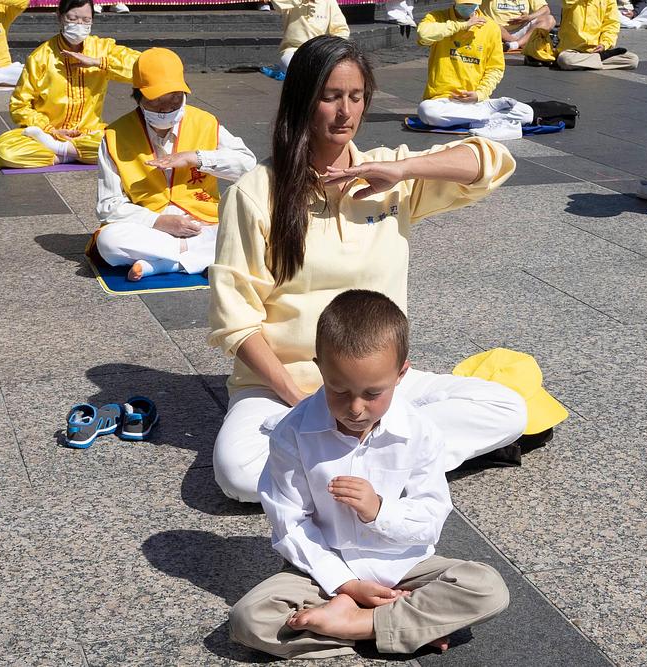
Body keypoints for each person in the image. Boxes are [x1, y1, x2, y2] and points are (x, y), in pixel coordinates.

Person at [208, 35, 527, 503]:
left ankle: (355, 466)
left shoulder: (388, 174)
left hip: (379, 388)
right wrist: (307, 409)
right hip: (288, 388)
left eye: (356, 98)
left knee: (506, 410)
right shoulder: (257, 193)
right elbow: (235, 323)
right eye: (331, 97)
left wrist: (404, 170)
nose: (345, 113)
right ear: (302, 100)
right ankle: (391, 461)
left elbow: (493, 162)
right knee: (236, 472)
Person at [229, 289, 510, 658]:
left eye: (372, 393)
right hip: (322, 572)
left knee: (486, 587)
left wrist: (380, 510)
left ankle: (356, 625)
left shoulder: (419, 431)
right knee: (249, 620)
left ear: (401, 374)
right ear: (320, 368)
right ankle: (405, 626)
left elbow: (430, 518)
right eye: (339, 390)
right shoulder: (291, 433)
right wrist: (346, 585)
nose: (356, 408)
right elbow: (291, 525)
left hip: (403, 566)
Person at [95, 48, 257, 281]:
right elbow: (107, 206)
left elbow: (248, 165)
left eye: (174, 100)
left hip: (204, 222)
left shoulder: (205, 122)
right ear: (138, 96)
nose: (166, 109)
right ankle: (207, 256)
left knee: (257, 228)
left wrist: (197, 158)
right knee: (108, 242)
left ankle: (159, 265)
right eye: (156, 102)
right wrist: (157, 221)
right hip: (151, 228)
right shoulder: (115, 135)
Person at [0, 0, 140, 169]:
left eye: (86, 20)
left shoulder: (102, 48)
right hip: (48, 134)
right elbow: (20, 106)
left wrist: (98, 62)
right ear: (59, 17)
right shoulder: (40, 57)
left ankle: (61, 153)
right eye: (73, 18)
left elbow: (144, 66)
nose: (79, 25)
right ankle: (76, 153)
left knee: (130, 141)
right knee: (3, 150)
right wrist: (49, 130)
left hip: (90, 133)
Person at [415, 0, 537, 134]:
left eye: (471, 3)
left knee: (527, 113)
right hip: (441, 100)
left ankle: (477, 115)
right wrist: (461, 25)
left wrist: (480, 94)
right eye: (464, 3)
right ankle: (484, 115)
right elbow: (423, 34)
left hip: (476, 101)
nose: (467, 6)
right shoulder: (437, 18)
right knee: (426, 111)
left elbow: (495, 68)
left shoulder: (490, 27)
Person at [269, 0, 350, 75]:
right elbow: (276, 3)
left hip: (318, 50)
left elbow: (341, 29)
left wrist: (329, 47)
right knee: (290, 66)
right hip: (293, 49)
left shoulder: (329, 2)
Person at [555, 0, 639, 70]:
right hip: (572, 50)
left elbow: (611, 24)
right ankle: (597, 60)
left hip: (595, 49)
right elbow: (567, 2)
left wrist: (604, 44)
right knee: (565, 60)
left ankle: (587, 63)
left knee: (632, 60)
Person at [481, 0, 556, 60]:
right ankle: (521, 43)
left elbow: (546, 10)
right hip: (498, 30)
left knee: (549, 19)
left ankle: (516, 44)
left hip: (521, 29)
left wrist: (529, 17)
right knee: (488, 22)